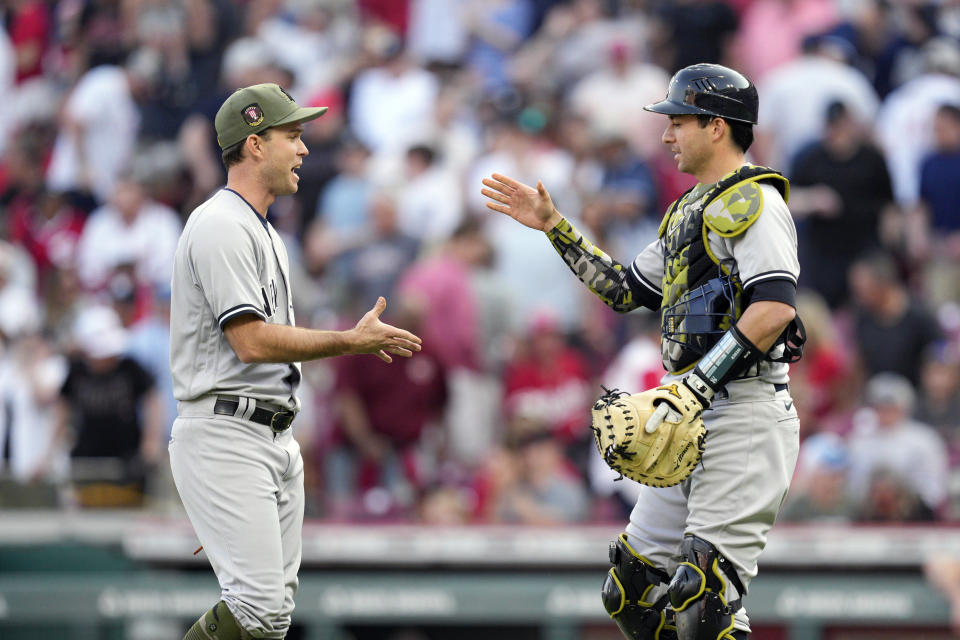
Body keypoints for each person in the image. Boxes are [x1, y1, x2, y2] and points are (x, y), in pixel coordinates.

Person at [482, 63, 803, 640]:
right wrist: (554, 224)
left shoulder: (755, 201)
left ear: (716, 126)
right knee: (629, 589)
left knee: (702, 599)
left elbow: (774, 309)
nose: (666, 135)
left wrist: (694, 386)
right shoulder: (689, 208)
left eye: (678, 121)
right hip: (689, 416)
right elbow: (627, 291)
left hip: (743, 412)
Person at [169, 83, 422, 640]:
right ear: (255, 145)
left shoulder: (268, 233)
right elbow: (252, 342)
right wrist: (349, 341)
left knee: (271, 619)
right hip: (228, 429)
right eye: (293, 136)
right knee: (257, 609)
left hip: (269, 434)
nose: (304, 149)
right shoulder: (219, 223)